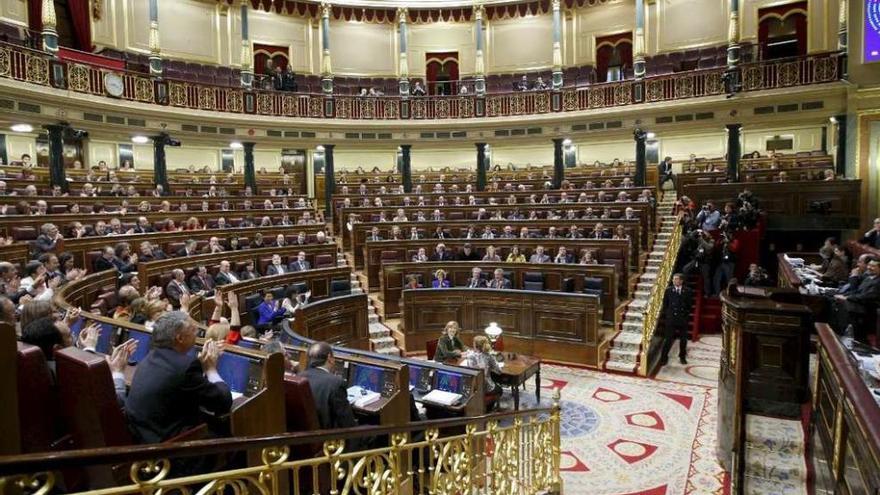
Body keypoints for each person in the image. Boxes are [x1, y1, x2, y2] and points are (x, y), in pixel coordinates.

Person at [125, 311, 231, 443]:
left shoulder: (150, 357)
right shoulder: (186, 366)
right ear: (180, 338)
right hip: (171, 450)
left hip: (145, 437)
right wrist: (211, 369)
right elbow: (223, 402)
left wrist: (202, 367)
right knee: (236, 438)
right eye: (193, 330)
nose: (197, 332)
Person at [299, 342, 359, 433]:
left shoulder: (299, 377)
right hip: (331, 439)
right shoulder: (335, 383)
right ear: (329, 358)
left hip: (305, 435)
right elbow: (347, 423)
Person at [833, 259, 880, 341]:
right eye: (869, 265)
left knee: (843, 305)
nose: (869, 267)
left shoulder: (878, 282)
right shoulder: (868, 277)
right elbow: (856, 291)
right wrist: (844, 295)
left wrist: (847, 298)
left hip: (867, 310)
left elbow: (866, 297)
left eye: (873, 266)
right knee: (835, 302)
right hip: (858, 306)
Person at [660, 274, 693, 366]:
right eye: (673, 279)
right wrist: (669, 315)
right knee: (668, 339)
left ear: (681, 281)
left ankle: (682, 357)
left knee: (683, 340)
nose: (674, 281)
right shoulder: (668, 290)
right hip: (671, 319)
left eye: (676, 279)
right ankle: (664, 358)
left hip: (682, 319)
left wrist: (685, 316)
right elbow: (665, 305)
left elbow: (689, 305)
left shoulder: (688, 291)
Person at [466, 336, 502, 409]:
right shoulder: (489, 356)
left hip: (473, 387)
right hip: (486, 388)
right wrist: (491, 367)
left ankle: (487, 405)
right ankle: (490, 406)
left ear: (475, 345)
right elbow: (499, 371)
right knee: (500, 390)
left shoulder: (470, 356)